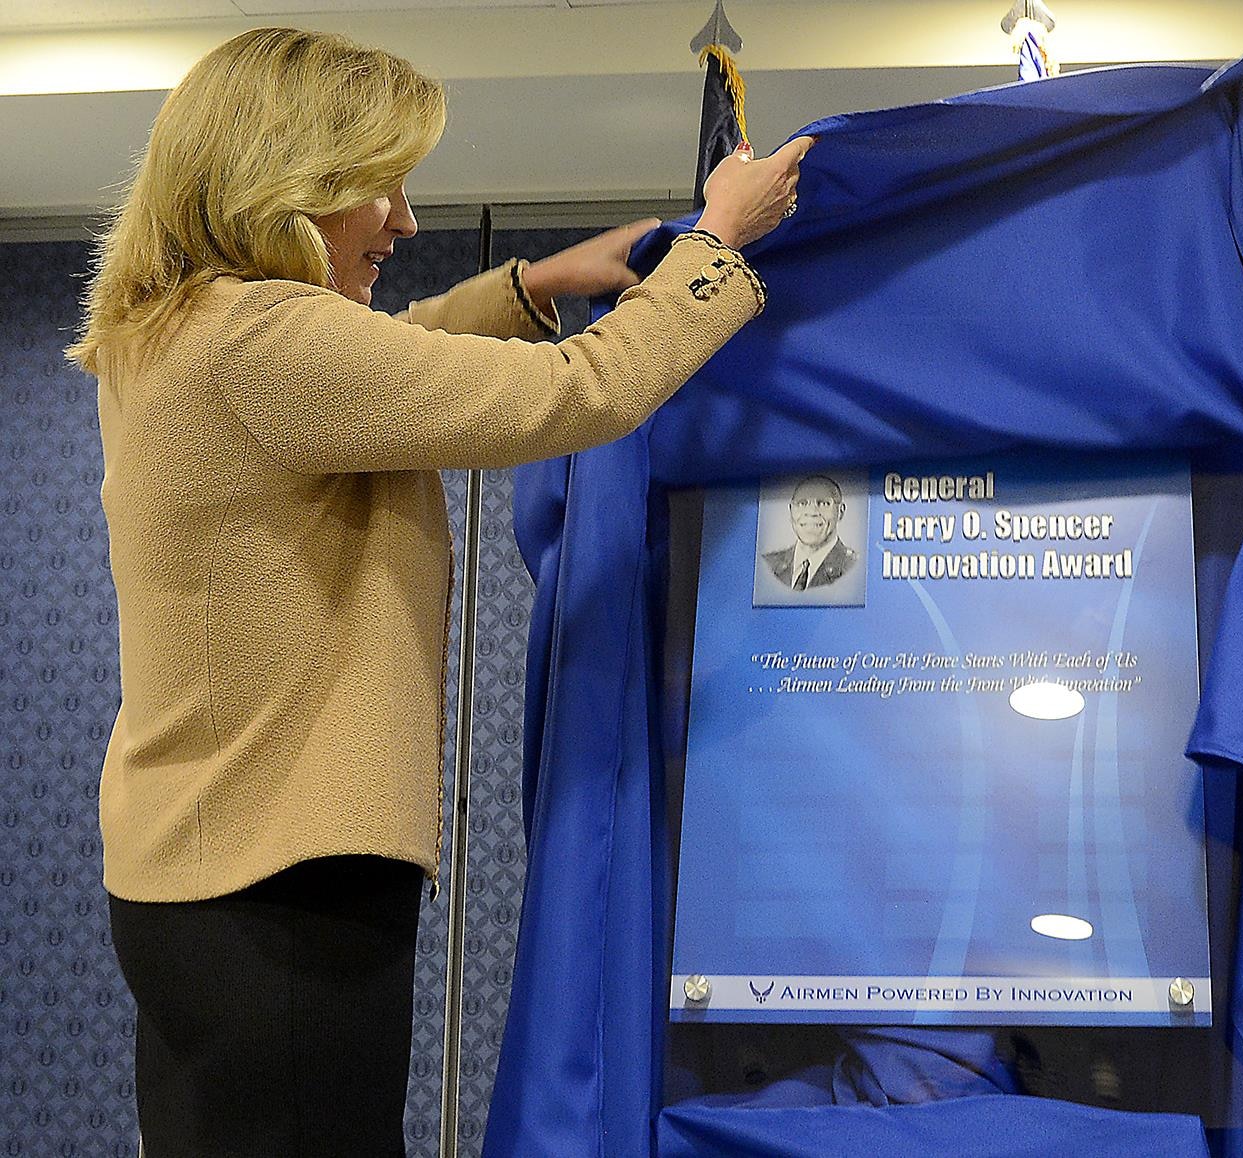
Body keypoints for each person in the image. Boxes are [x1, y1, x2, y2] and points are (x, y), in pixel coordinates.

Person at [67, 27, 812, 1156]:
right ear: (292, 177)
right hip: (282, 892)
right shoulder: (263, 341)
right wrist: (720, 239)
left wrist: (533, 284)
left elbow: (388, 353)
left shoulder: (181, 332)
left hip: (205, 884)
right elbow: (581, 394)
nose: (406, 222)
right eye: (383, 187)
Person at [763, 474, 860, 590]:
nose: (811, 512)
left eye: (823, 503)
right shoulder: (767, 564)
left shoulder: (853, 567)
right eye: (802, 503)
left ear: (840, 511)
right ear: (791, 510)